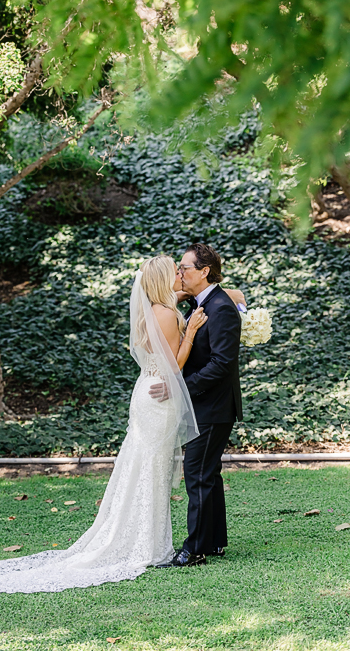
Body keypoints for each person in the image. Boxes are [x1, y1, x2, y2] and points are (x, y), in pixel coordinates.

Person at [0, 255, 219, 593]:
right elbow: (173, 368)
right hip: (158, 395)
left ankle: (145, 540)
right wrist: (190, 331)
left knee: (143, 467)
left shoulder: (154, 309)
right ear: (163, 280)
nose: (179, 275)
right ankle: (145, 546)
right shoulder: (165, 315)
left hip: (147, 392)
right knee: (150, 469)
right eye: (174, 272)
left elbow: (168, 316)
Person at [152, 243, 243, 568]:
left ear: (204, 271)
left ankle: (195, 549)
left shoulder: (219, 308)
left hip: (213, 407)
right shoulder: (205, 301)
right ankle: (215, 541)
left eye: (184, 269)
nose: (179, 274)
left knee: (197, 474)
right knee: (209, 473)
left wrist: (179, 388)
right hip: (206, 405)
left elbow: (221, 363)